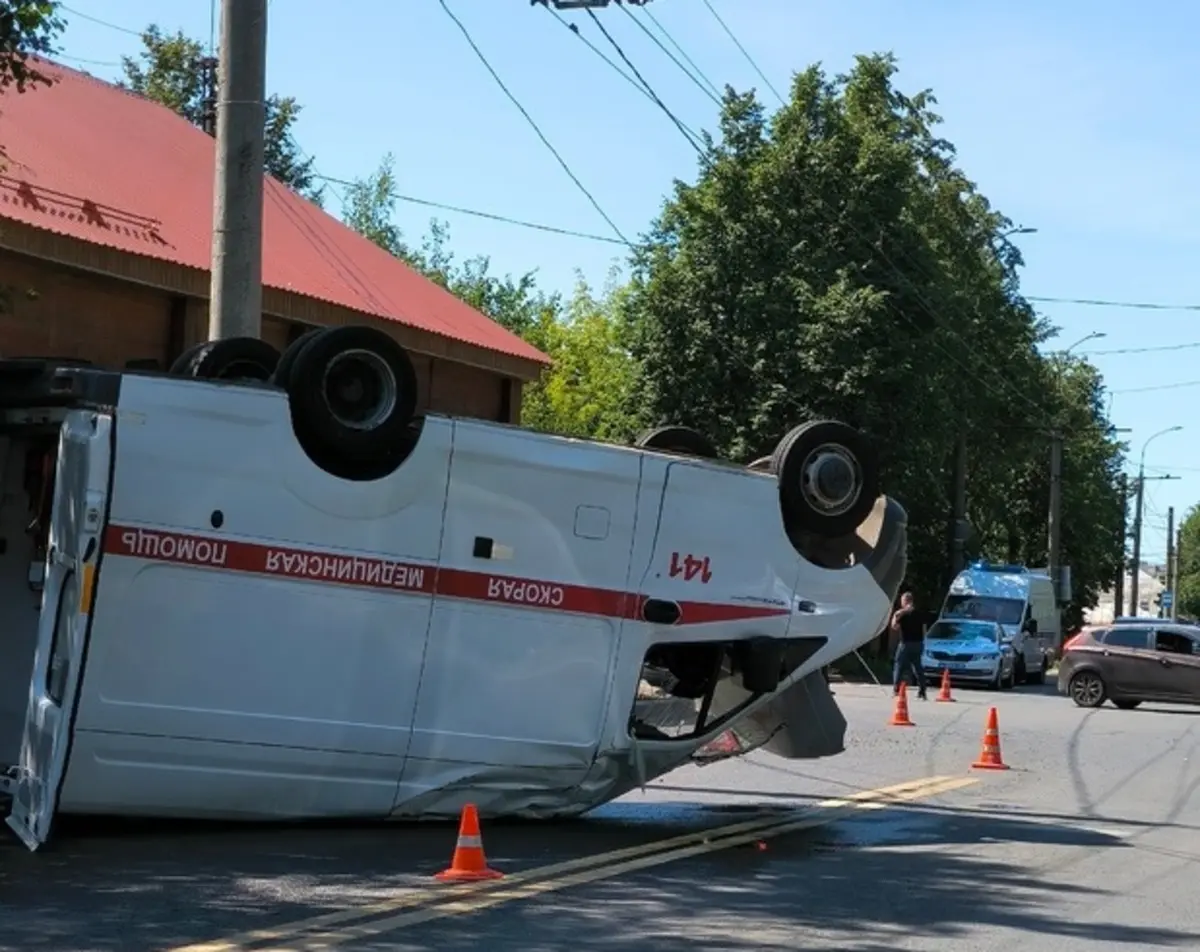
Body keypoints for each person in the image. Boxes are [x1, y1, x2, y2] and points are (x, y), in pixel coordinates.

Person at [890, 590, 928, 700]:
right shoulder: (919, 613)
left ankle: (896, 689)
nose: (901, 603)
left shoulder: (901, 613)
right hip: (918, 643)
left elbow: (894, 626)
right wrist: (922, 642)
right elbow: (924, 628)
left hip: (905, 644)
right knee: (918, 667)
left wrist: (897, 614)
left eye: (902, 601)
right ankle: (922, 691)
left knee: (898, 665)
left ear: (905, 601)